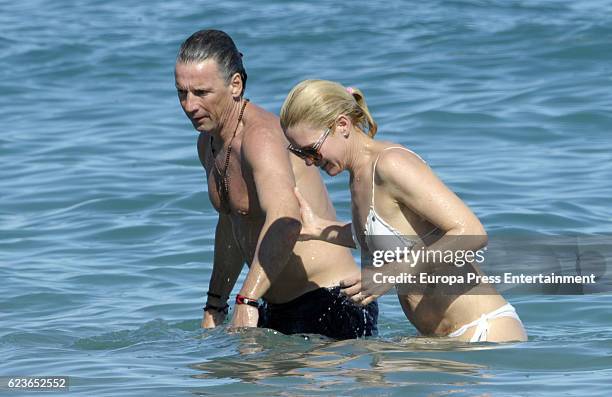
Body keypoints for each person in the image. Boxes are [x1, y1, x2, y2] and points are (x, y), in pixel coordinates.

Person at [279, 79, 527, 342]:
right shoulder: (358, 176)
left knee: (363, 372)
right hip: (441, 338)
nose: (309, 161)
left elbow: (472, 233)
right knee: (359, 373)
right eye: (299, 152)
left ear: (342, 125)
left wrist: (391, 274)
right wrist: (318, 228)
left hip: (483, 330)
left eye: (312, 150)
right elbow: (385, 236)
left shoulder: (390, 164)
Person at [174, 30, 377, 339]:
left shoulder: (261, 138)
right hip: (273, 303)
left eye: (201, 92)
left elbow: (285, 222)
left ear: (235, 85)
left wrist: (246, 299)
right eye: (182, 92)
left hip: (331, 301)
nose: (189, 105)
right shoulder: (208, 143)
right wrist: (216, 304)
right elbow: (232, 224)